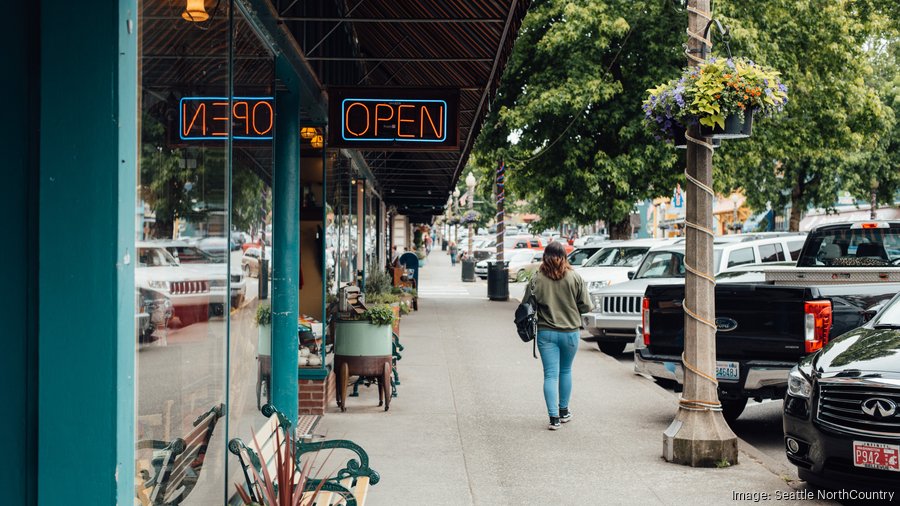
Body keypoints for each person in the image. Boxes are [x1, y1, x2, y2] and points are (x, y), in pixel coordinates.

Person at [523, 241, 591, 430]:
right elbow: (586, 306)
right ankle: (564, 411)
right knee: (566, 371)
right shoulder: (575, 277)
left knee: (550, 375)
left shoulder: (537, 279)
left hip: (546, 333)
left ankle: (553, 418)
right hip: (570, 333)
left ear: (544, 257)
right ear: (565, 257)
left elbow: (526, 305)